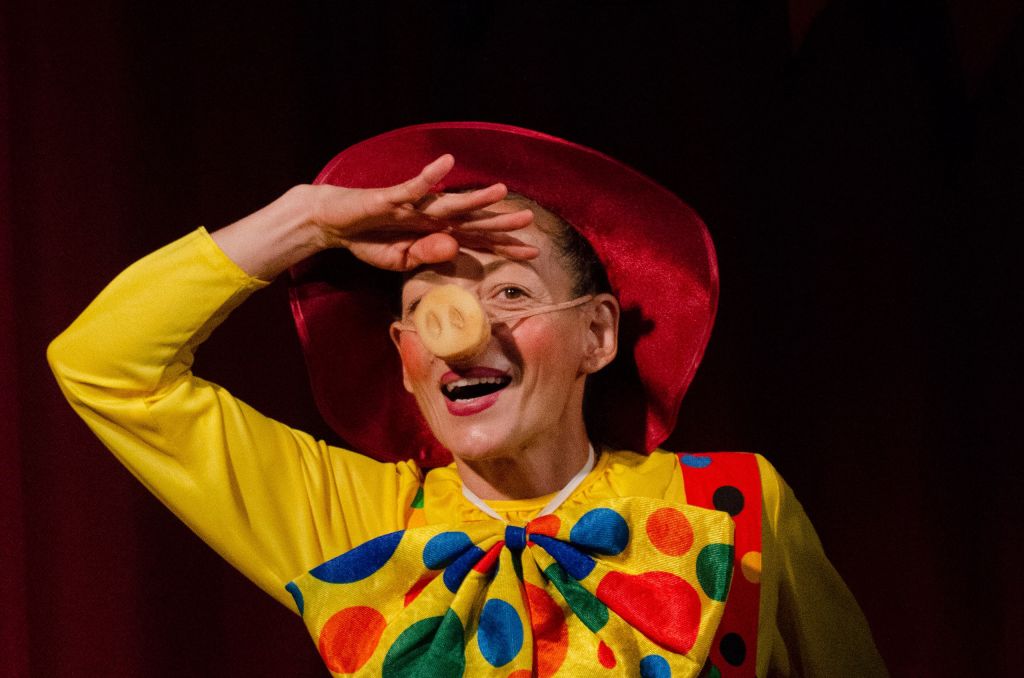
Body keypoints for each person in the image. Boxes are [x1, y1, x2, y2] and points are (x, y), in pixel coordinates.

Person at [48, 123, 887, 677]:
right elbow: (103, 364)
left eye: (511, 293)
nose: (461, 335)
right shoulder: (357, 524)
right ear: (405, 362)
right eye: (428, 311)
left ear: (597, 335)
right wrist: (307, 221)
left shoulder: (735, 505)